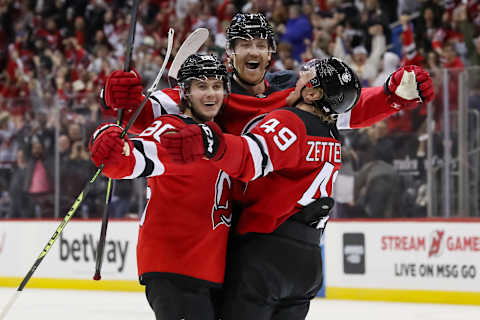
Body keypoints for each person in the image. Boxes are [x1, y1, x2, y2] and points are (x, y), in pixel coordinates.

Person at [160, 56, 433, 319]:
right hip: (308, 263)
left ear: (312, 95)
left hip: (267, 253)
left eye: (305, 77)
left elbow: (250, 158)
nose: (296, 79)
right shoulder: (329, 133)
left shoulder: (290, 121)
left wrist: (210, 142)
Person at [99, 13, 434, 139]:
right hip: (223, 225)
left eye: (260, 45)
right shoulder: (210, 89)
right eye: (243, 45)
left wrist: (393, 95)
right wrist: (123, 99)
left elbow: (349, 110)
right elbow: (149, 114)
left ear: (271, 52)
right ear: (229, 53)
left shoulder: (294, 87)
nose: (253, 52)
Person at [88, 54, 234, 320]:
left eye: (216, 86)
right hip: (173, 268)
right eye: (202, 86)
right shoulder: (173, 129)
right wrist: (109, 145)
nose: (211, 93)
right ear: (185, 93)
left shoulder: (217, 134)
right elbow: (134, 157)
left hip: (204, 269)